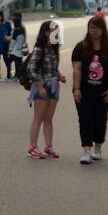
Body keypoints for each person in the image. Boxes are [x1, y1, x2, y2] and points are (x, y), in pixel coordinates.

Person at [72, 16, 108, 164]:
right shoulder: (81, 47)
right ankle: (86, 150)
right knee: (85, 120)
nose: (94, 31)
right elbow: (77, 69)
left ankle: (98, 147)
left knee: (100, 120)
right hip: (84, 92)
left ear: (103, 30)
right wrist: (77, 89)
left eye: (97, 28)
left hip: (103, 93)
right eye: (91, 28)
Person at [26, 20, 65, 159]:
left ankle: (48, 146)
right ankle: (32, 147)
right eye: (54, 30)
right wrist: (40, 86)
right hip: (42, 87)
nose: (57, 33)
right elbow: (31, 70)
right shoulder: (39, 49)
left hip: (54, 86)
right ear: (46, 32)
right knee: (38, 118)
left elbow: (52, 67)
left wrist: (59, 75)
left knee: (48, 118)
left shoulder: (53, 49)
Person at [7, 11, 27, 80]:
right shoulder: (22, 27)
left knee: (14, 63)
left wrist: (10, 49)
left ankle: (17, 76)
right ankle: (18, 76)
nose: (12, 19)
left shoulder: (17, 29)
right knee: (18, 63)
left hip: (15, 49)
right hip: (19, 48)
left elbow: (13, 41)